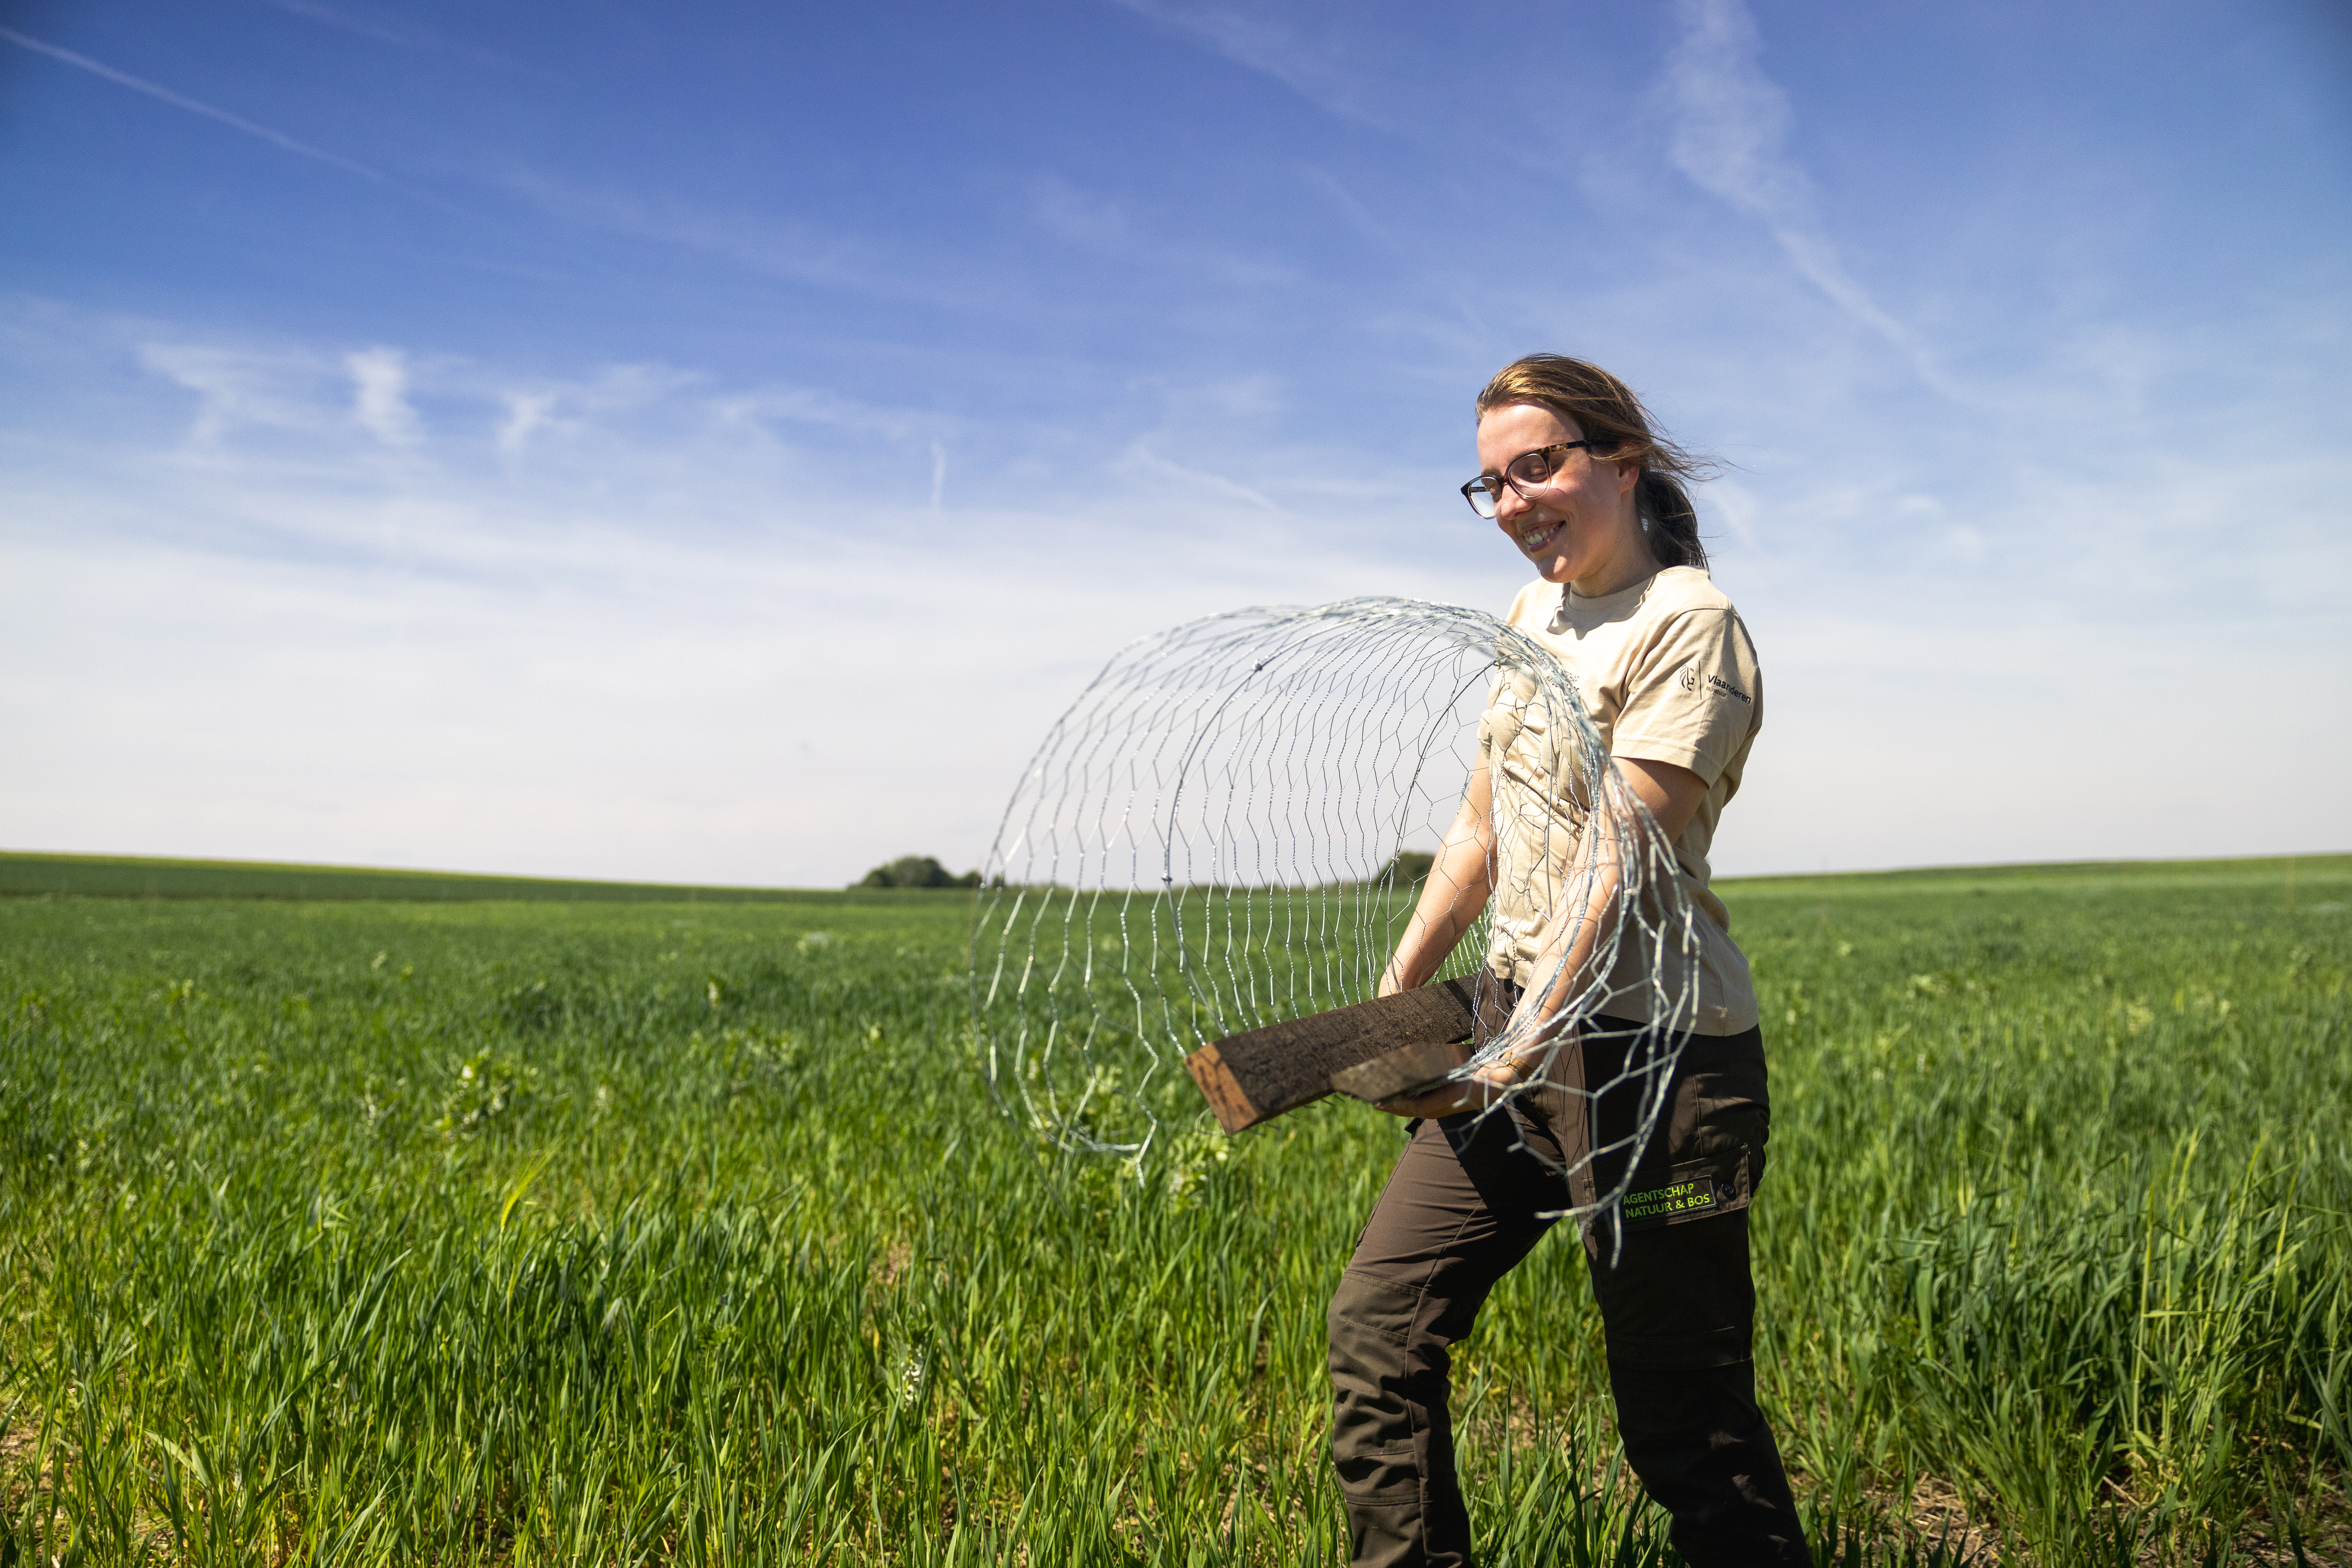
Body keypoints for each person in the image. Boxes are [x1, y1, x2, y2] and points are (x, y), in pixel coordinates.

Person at [1325, 354, 1809, 1567]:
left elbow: (1619, 856)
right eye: (1491, 483)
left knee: (1681, 1417)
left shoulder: (1690, 624)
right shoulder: (1530, 617)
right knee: (1378, 1334)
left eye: (1536, 466)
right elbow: (1481, 825)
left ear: (1621, 459)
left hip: (1657, 1062)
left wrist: (1531, 1030)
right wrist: (1404, 981)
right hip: (1512, 1025)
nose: (1512, 503)